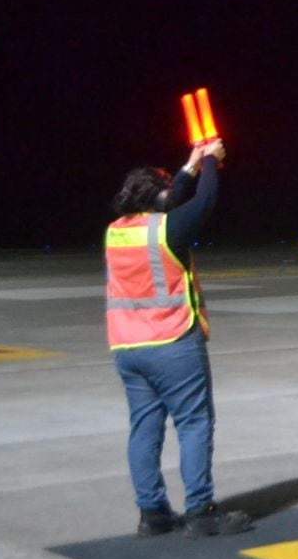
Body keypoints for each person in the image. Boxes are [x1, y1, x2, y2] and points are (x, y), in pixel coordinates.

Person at [105, 139, 252, 538]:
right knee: (194, 423)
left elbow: (173, 204)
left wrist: (188, 167)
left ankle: (152, 515)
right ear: (159, 195)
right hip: (172, 341)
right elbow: (202, 203)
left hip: (127, 348)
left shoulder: (117, 233)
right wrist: (209, 163)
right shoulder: (168, 230)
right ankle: (200, 512)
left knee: (145, 428)